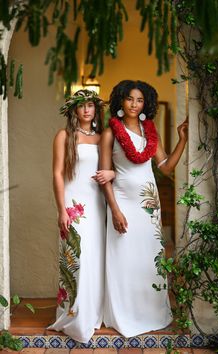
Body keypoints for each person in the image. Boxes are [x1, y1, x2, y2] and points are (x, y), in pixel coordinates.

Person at [99, 80, 188, 337]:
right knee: (123, 255)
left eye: (139, 100)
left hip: (149, 202)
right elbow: (105, 176)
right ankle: (124, 313)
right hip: (122, 200)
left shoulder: (150, 134)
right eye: (129, 99)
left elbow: (166, 167)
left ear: (145, 103)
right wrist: (114, 210)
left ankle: (150, 311)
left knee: (148, 256)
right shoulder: (110, 134)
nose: (134, 104)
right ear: (121, 102)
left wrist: (181, 140)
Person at [48, 89, 115, 343]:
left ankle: (93, 312)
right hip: (74, 207)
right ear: (74, 110)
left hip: (97, 206)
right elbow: (57, 174)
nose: (87, 110)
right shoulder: (64, 136)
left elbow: (113, 169)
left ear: (96, 110)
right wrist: (61, 209)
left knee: (95, 260)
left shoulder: (102, 137)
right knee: (76, 258)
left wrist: (112, 175)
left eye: (91, 105)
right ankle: (74, 314)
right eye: (82, 106)